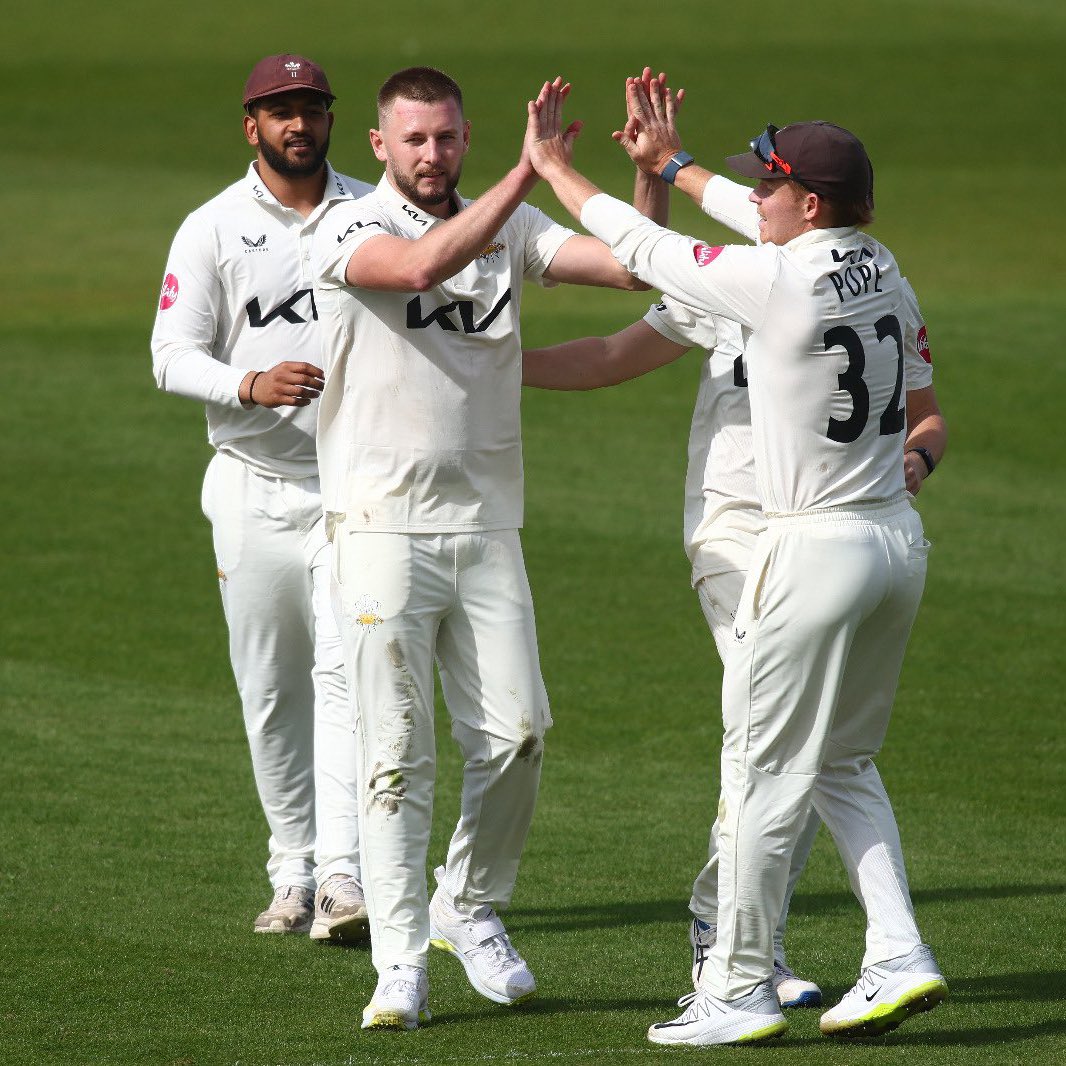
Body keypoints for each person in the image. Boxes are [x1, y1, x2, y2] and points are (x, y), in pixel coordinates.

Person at [524, 76, 949, 1045]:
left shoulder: (775, 279)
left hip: (808, 548)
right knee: (841, 756)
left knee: (761, 771)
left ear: (807, 204)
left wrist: (554, 166)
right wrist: (671, 166)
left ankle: (739, 986)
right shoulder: (882, 264)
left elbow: (641, 247)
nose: (754, 193)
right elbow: (735, 212)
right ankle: (895, 951)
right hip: (895, 542)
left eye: (770, 185)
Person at [312, 67, 664, 1031]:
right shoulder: (343, 226)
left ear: (466, 138)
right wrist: (530, 171)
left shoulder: (508, 222)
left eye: (448, 138)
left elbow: (634, 269)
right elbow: (418, 268)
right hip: (379, 524)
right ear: (380, 146)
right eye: (415, 140)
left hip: (486, 526)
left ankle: (464, 907)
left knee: (519, 734)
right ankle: (397, 966)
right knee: (392, 754)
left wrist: (650, 179)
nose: (434, 155)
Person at [151, 54, 374, 941]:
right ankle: (294, 871)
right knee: (272, 690)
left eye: (311, 109)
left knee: (347, 678)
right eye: (281, 111)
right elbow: (171, 354)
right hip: (251, 486)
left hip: (353, 492)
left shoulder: (373, 213)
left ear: (329, 119)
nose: (298, 125)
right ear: (252, 125)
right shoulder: (211, 228)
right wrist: (250, 385)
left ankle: (344, 880)